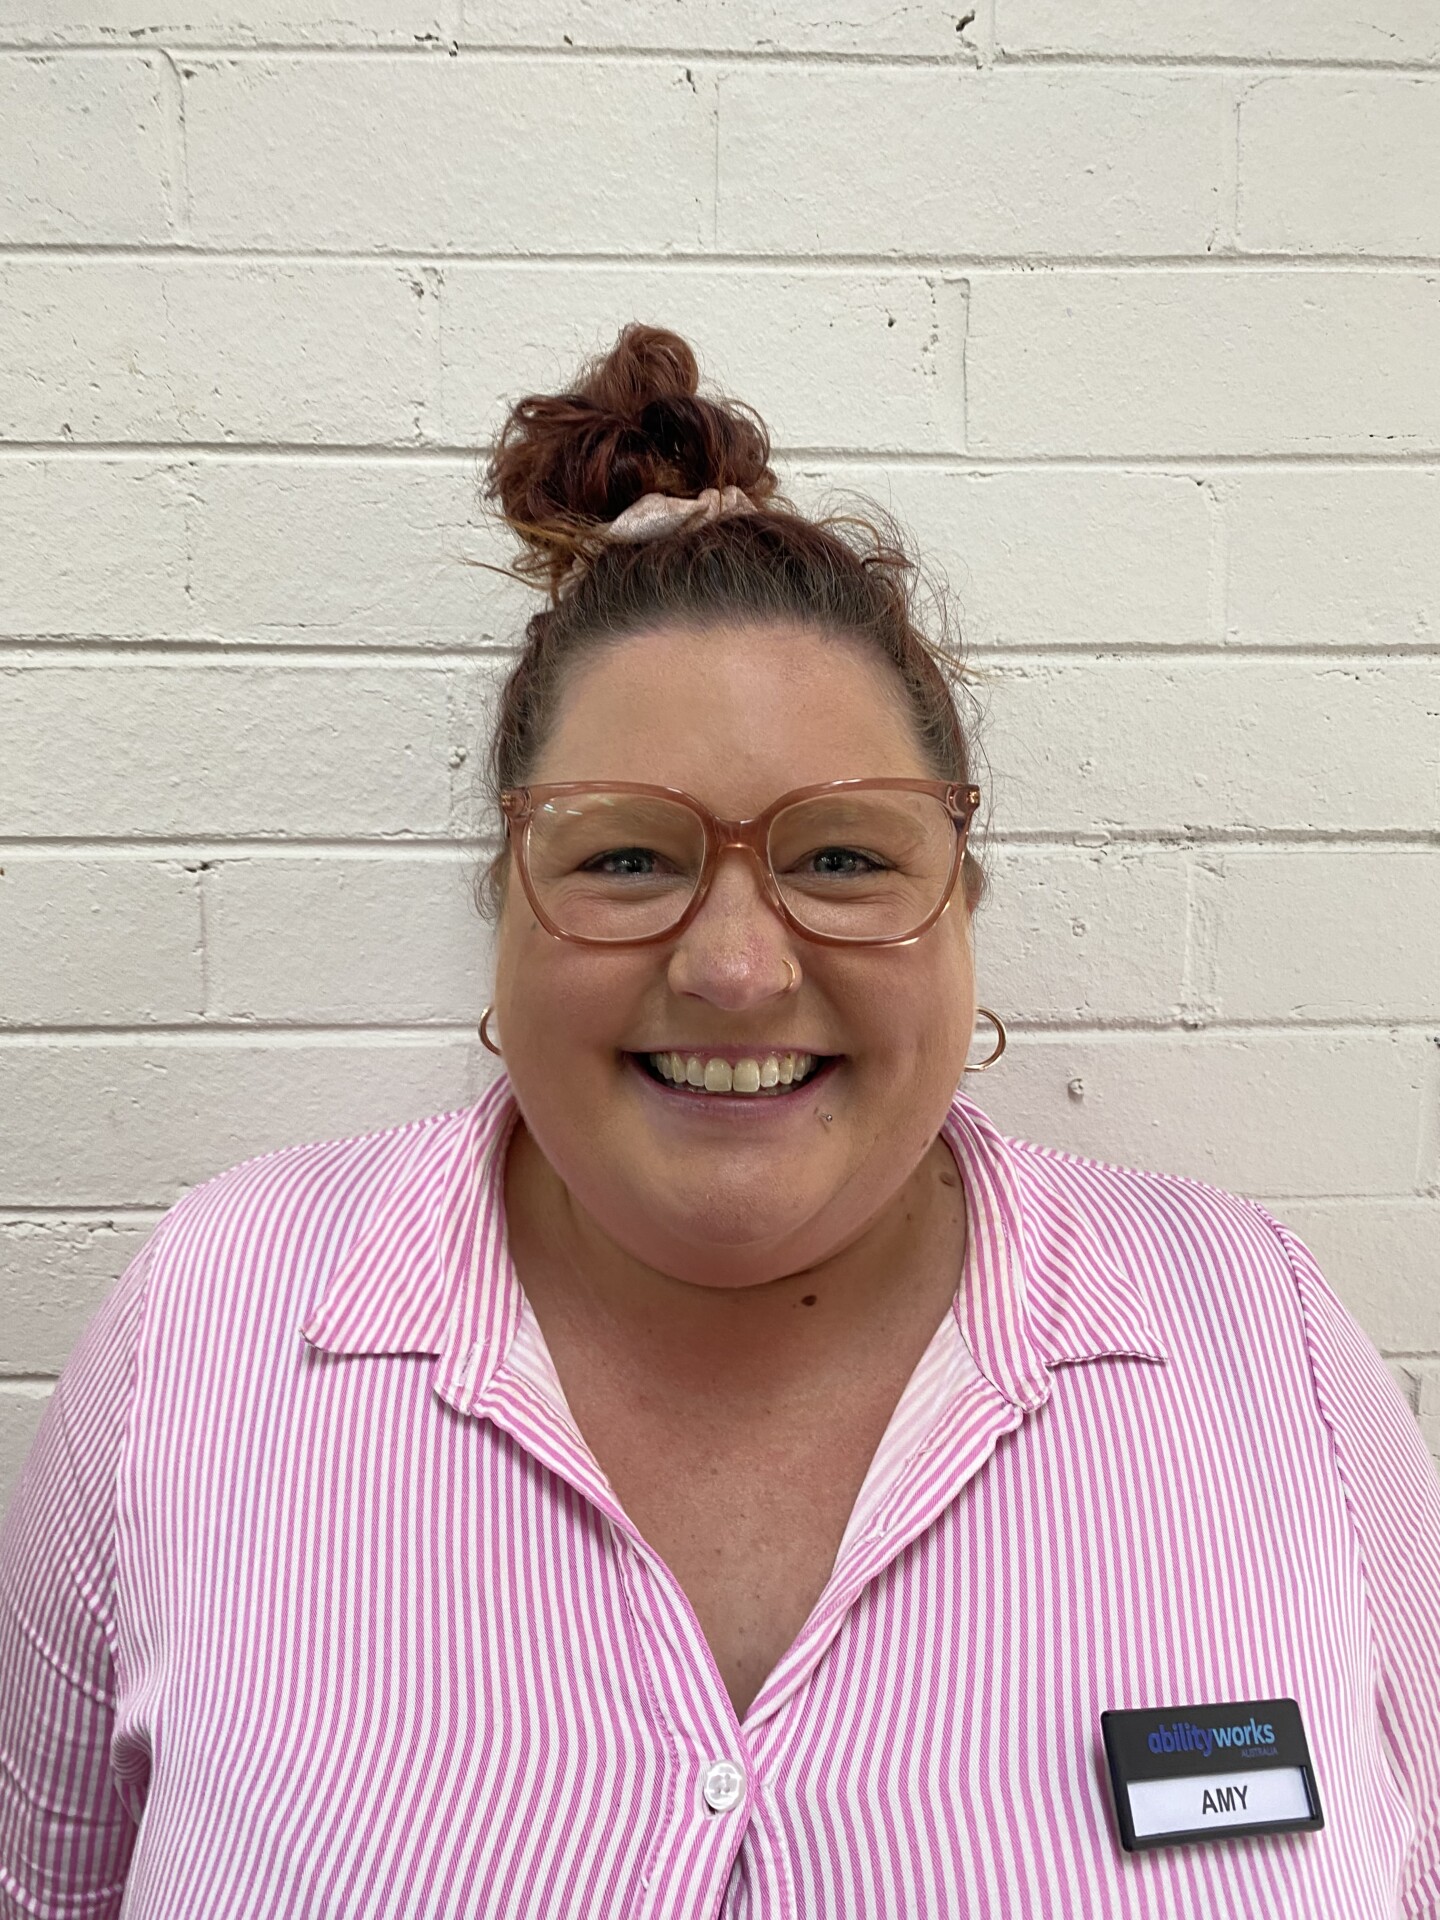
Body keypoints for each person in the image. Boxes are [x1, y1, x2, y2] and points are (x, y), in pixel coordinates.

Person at [2, 325, 1438, 1920]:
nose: (739, 968)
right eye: (625, 857)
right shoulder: (204, 1334)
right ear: (502, 907)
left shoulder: (1265, 1347)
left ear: (960, 908)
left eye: (845, 859)